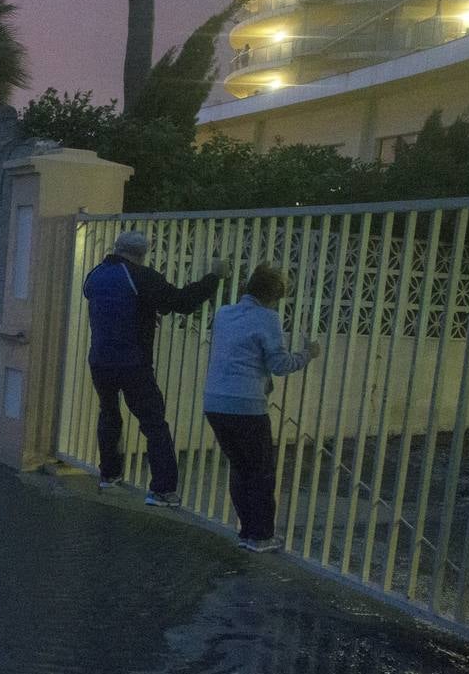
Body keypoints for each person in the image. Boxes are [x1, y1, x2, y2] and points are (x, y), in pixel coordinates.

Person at [84, 231, 230, 507]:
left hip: (100, 359)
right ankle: (163, 490)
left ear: (117, 247)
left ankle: (109, 473)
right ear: (142, 254)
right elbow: (181, 303)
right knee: (154, 424)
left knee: (109, 413)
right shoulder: (141, 276)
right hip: (132, 362)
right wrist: (213, 278)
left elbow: (104, 302)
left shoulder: (96, 273)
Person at [203, 264, 320, 552]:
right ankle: (261, 535)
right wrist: (308, 353)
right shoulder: (268, 318)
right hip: (246, 406)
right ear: (275, 296)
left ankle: (247, 529)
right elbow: (279, 364)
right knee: (261, 471)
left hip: (215, 401)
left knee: (240, 468)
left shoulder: (223, 313)